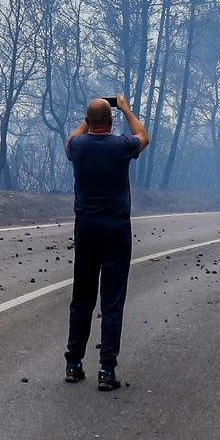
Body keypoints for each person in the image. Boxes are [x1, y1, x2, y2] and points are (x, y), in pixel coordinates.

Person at [63, 94, 149, 391]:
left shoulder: (78, 146)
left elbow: (70, 139)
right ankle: (106, 369)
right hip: (115, 230)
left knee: (82, 298)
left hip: (85, 228)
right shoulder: (120, 146)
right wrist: (124, 108)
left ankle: (73, 363)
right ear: (110, 122)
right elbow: (143, 136)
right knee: (112, 301)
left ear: (89, 122)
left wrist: (88, 120)